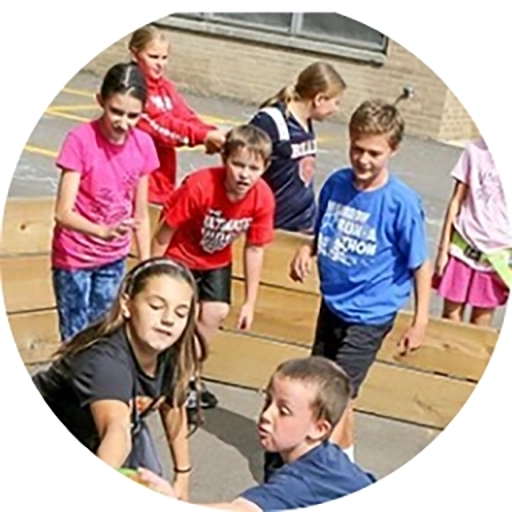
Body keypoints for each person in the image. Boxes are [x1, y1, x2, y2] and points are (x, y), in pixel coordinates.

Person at [287, 98, 431, 468]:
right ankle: (335, 463)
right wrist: (309, 250)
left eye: (374, 153)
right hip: (333, 302)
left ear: (392, 151)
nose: (363, 160)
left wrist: (420, 322)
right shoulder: (336, 184)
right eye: (356, 149)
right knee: (320, 385)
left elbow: (419, 265)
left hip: (370, 312)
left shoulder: (401, 203)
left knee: (337, 395)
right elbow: (324, 231)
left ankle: (334, 469)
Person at [32, 257, 207, 501]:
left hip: (116, 429)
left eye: (180, 313)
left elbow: (173, 406)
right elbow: (116, 429)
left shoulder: (172, 351)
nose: (168, 319)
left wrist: (182, 477)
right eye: (156, 306)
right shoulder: (103, 360)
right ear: (127, 304)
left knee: (155, 489)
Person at [134, 356, 377, 511]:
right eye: (267, 400)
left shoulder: (301, 481)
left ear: (319, 429)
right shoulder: (329, 459)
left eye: (284, 411)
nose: (266, 415)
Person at [150, 124, 276, 412]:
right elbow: (165, 230)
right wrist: (151, 272)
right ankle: (165, 372)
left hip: (215, 259)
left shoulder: (263, 198)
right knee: (182, 314)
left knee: (216, 311)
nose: (244, 174)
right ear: (224, 160)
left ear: (265, 168)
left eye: (254, 168)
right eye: (238, 164)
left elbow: (255, 248)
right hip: (179, 254)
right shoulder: (200, 186)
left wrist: (250, 302)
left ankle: (190, 374)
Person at [51, 62, 158, 343]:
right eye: (116, 112)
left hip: (113, 257)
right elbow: (63, 212)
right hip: (75, 256)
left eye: (133, 115)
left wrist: (146, 262)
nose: (123, 123)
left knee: (104, 333)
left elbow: (141, 214)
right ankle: (72, 385)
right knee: (75, 335)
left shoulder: (143, 145)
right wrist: (102, 231)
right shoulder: (80, 140)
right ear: (101, 101)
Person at [128, 24, 226, 205]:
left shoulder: (164, 86)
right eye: (153, 57)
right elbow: (160, 126)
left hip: (162, 183)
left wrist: (211, 133)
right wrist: (203, 136)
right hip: (137, 186)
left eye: (164, 58)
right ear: (135, 54)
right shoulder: (131, 89)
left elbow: (185, 116)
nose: (160, 64)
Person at [249, 61, 346, 233]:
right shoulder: (271, 121)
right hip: (276, 224)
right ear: (319, 99)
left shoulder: (306, 122)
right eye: (336, 102)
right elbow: (244, 165)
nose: (336, 109)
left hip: (303, 222)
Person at [432, 138, 512, 326]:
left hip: (496, 259)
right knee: (450, 318)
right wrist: (443, 250)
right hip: (463, 249)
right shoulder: (475, 150)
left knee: (480, 323)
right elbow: (456, 201)